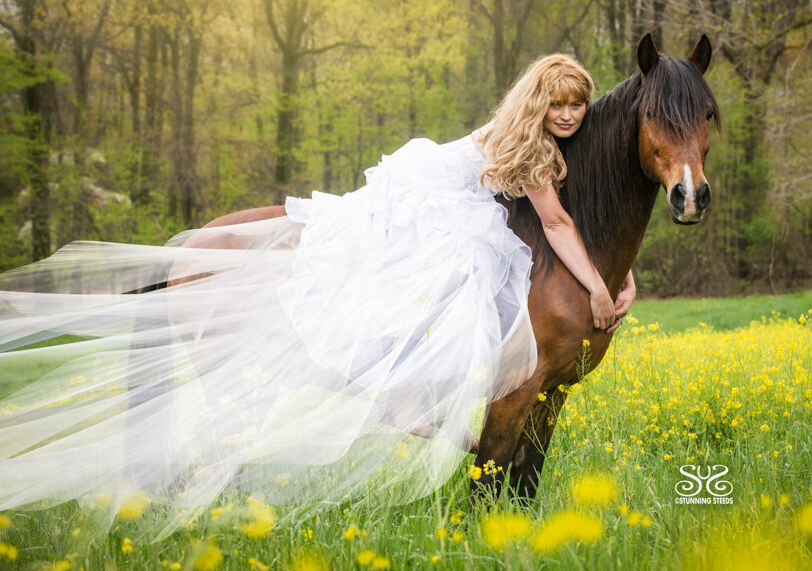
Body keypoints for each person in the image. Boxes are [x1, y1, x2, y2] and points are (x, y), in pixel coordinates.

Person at [0, 53, 635, 537]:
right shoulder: (527, 145)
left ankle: (410, 397)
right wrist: (598, 289)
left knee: (457, 276)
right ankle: (405, 394)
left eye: (578, 104)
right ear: (537, 101)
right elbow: (554, 224)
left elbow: (586, 217)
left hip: (455, 201)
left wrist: (623, 273)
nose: (570, 115)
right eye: (558, 102)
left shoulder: (542, 139)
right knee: (434, 271)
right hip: (433, 196)